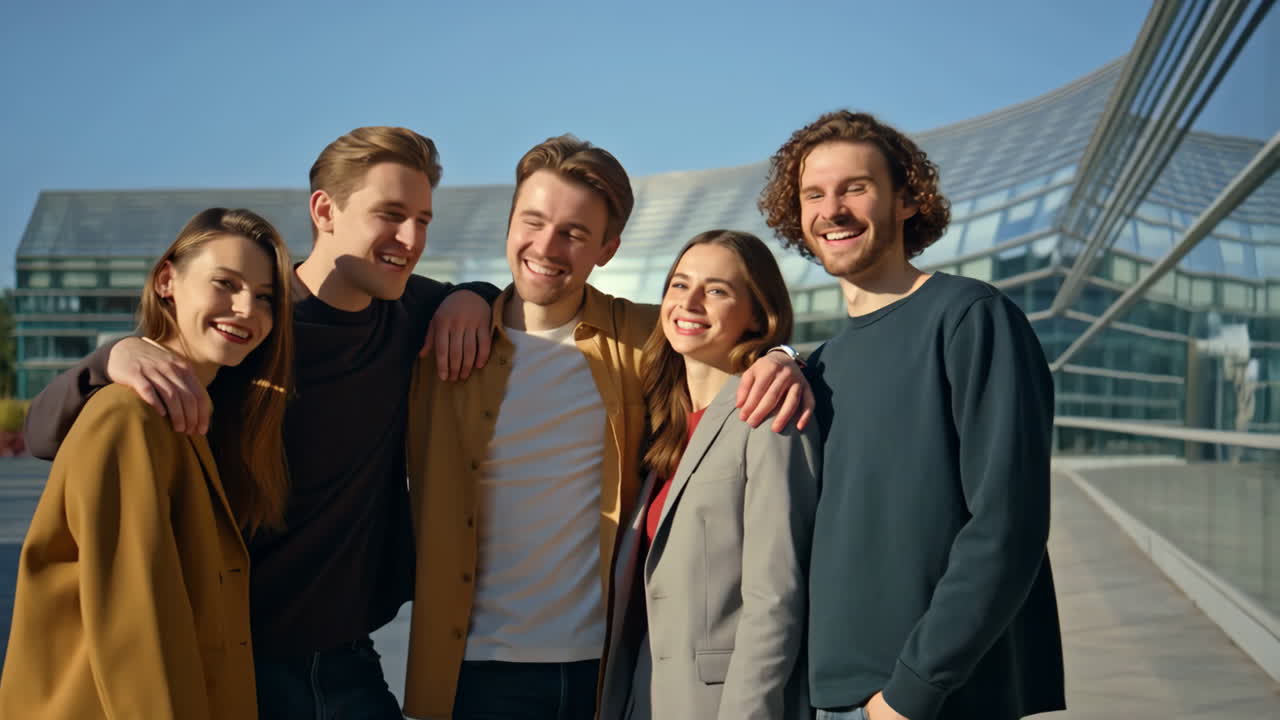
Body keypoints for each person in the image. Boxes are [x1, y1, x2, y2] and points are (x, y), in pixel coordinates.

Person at [22, 127, 500, 719]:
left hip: (350, 660)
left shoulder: (414, 312)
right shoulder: (249, 329)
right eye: (391, 214)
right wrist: (114, 355)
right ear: (325, 210)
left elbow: (494, 297)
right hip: (236, 663)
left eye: (424, 220)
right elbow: (47, 431)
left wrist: (473, 296)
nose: (411, 238)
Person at [402, 137, 814, 720]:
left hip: (602, 677)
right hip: (470, 670)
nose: (546, 246)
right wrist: (468, 296)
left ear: (608, 247)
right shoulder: (437, 339)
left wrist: (782, 354)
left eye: (573, 232)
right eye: (533, 221)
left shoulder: (640, 339)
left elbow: (716, 332)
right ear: (512, 220)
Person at [758, 110, 1065, 720]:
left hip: (932, 702)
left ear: (905, 201)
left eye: (856, 188)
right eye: (813, 194)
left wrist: (909, 693)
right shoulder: (822, 365)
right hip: (827, 699)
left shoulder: (970, 318)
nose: (832, 209)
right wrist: (782, 352)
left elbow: (1007, 525)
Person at [0, 208, 294, 719]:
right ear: (166, 281)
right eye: (225, 283)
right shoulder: (129, 417)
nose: (247, 308)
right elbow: (134, 627)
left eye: (265, 296)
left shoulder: (206, 411)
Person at [599, 229, 818, 720]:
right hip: (643, 697)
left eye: (716, 290)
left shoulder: (765, 413)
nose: (690, 302)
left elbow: (775, 597)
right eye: (679, 285)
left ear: (757, 315)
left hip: (719, 705)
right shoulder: (659, 425)